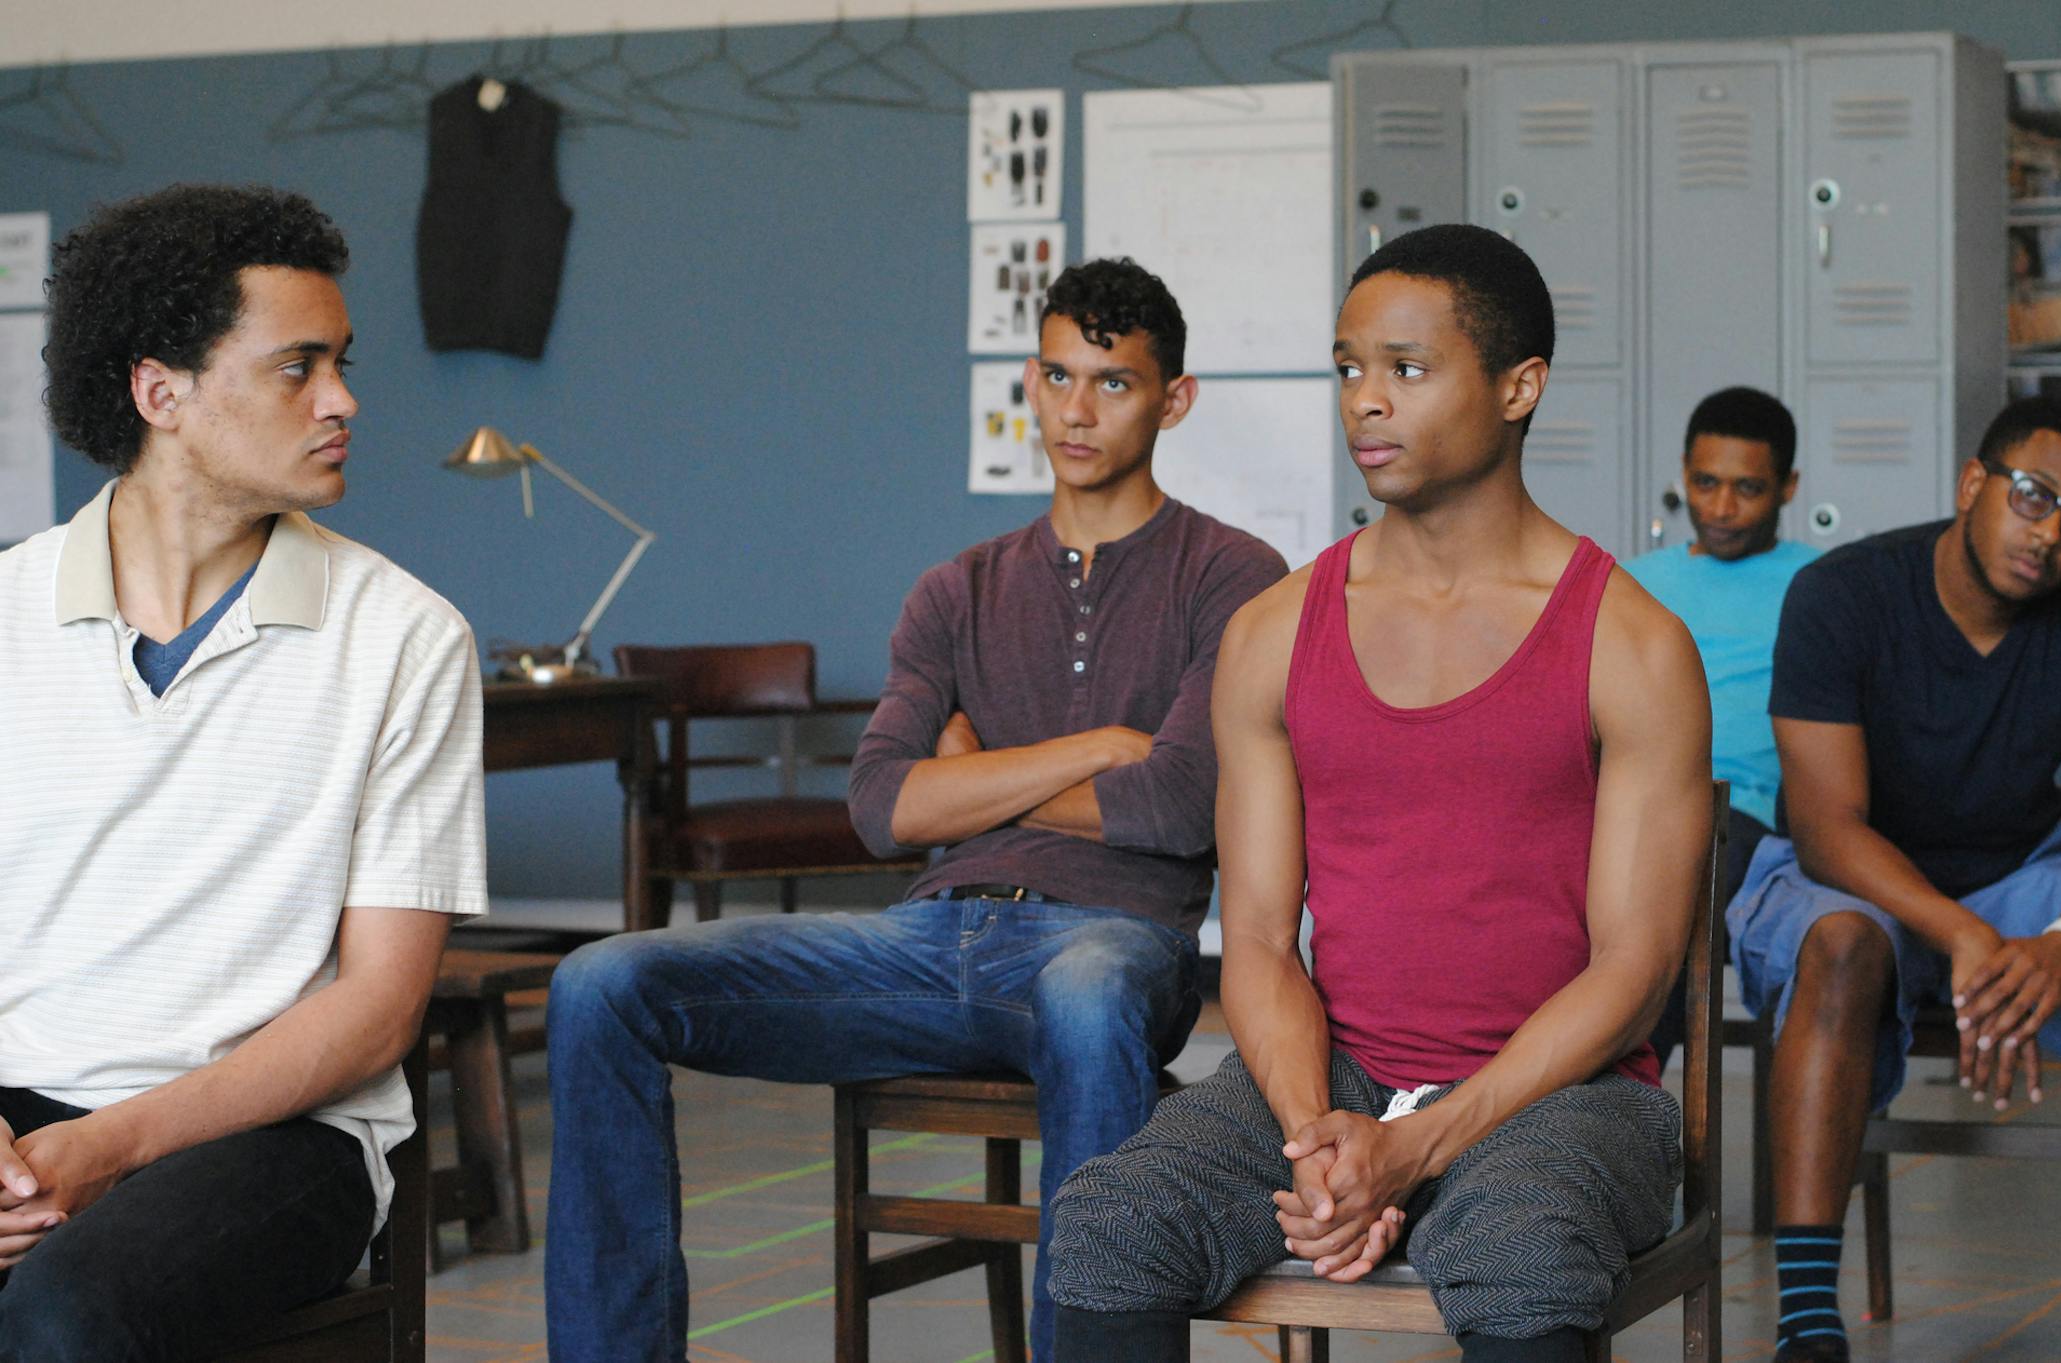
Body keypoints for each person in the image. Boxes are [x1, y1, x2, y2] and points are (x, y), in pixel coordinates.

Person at [542, 257, 1286, 1363]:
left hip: (1113, 942)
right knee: (598, 981)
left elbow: (1179, 804)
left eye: (1114, 382)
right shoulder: (957, 587)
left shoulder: (1232, 575)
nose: (1076, 410)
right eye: (1056, 375)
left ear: (1172, 399)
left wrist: (978, 783)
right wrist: (1096, 748)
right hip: (923, 939)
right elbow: (885, 808)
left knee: (1085, 996)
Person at [1047, 224, 1712, 1363]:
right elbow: (1256, 935)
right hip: (1337, 1069)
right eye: (1349, 367)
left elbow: (1633, 968)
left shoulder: (1631, 644)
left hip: (1567, 1087)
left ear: (1519, 386)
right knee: (1110, 1221)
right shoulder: (1271, 634)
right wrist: (1321, 1139)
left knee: (1520, 1245)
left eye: (1407, 369)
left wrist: (1419, 1144)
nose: (1367, 401)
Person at [0, 185, 487, 1361]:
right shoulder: (6, 612)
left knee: (65, 1318)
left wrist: (107, 1145)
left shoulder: (407, 638)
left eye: (344, 363)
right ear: (160, 393)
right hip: (22, 1105)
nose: (344, 402)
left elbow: (377, 1010)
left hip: (278, 1137)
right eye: (298, 368)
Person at [1731, 396, 2061, 1363]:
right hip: (1856, 876)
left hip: (2018, 878)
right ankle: (1808, 1325)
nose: (2051, 534)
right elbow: (1825, 827)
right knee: (1839, 945)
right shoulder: (1844, 594)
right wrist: (1960, 934)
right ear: (1975, 483)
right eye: (2034, 496)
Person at [1627, 386, 1819, 1062]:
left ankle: (1626, 1104)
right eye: (1705, 483)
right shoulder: (1634, 581)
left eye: (1748, 488)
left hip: (1747, 820)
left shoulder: (1823, 585)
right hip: (1632, 805)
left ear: (1788, 487)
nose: (1721, 507)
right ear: (1684, 473)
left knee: (1668, 906)